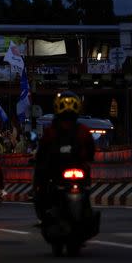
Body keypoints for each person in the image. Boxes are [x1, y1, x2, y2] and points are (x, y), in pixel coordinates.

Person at [33, 91, 95, 219]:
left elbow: (41, 155)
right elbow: (91, 153)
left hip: (61, 172)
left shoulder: (52, 131)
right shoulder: (81, 130)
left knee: (40, 181)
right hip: (61, 173)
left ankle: (42, 207)